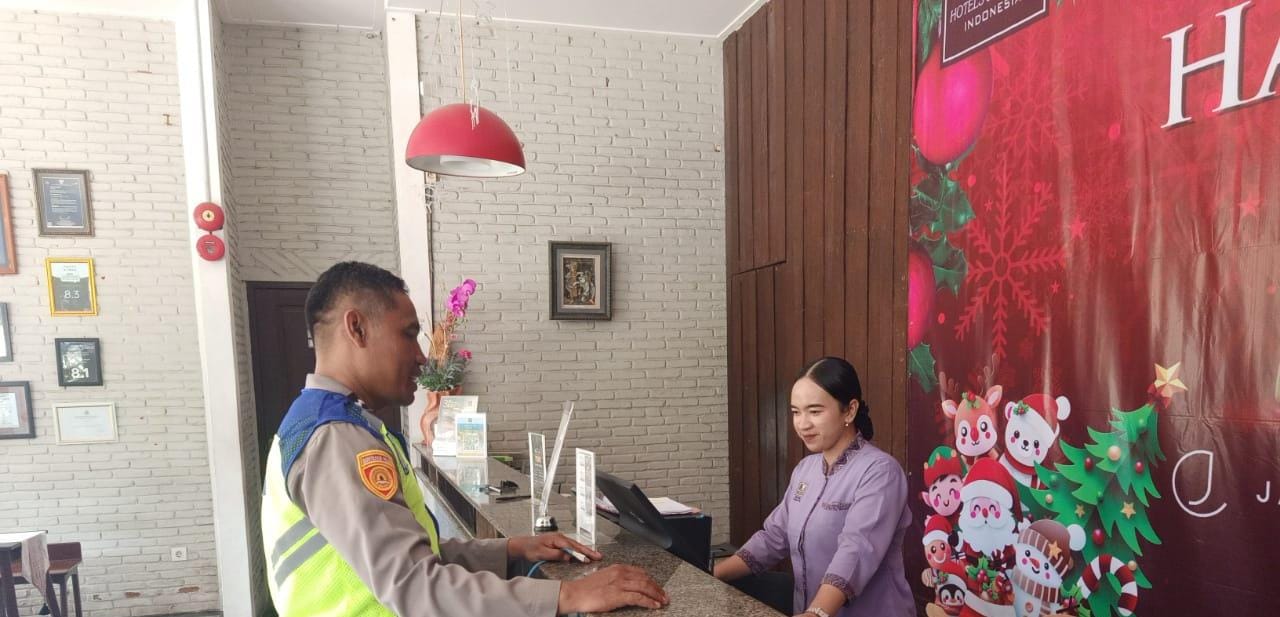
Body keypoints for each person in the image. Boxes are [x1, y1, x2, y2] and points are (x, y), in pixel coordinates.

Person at [261, 261, 669, 616]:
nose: (422, 357)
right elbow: (416, 587)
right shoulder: (337, 437)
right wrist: (568, 594)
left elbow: (418, 554)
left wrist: (512, 549)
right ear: (357, 328)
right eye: (408, 334)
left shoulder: (329, 422)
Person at [714, 357, 913, 617]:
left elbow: (856, 549)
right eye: (796, 412)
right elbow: (773, 537)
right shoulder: (805, 470)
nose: (803, 423)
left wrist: (818, 612)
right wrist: (711, 575)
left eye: (815, 411)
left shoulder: (880, 472)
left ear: (849, 411)